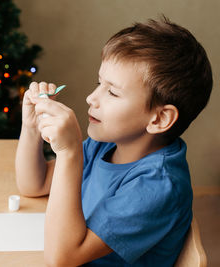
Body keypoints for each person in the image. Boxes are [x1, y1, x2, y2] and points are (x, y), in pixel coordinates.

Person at [15, 16, 212, 266]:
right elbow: (35, 184)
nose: (90, 98)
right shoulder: (108, 143)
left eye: (112, 92)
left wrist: (69, 153)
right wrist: (31, 128)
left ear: (160, 118)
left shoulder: (157, 186)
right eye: (99, 83)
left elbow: (61, 258)